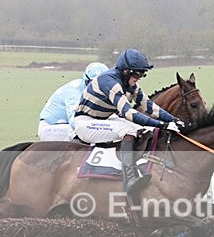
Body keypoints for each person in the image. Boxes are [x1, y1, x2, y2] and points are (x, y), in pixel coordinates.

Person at [73, 49, 185, 195]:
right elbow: (129, 113)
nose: (139, 78)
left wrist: (173, 119)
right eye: (137, 74)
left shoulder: (129, 84)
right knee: (129, 131)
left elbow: (148, 106)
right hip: (86, 122)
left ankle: (141, 167)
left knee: (145, 130)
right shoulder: (110, 83)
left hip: (106, 118)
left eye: (142, 74)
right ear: (125, 71)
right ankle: (130, 179)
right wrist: (162, 124)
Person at [37, 62, 109, 141]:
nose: (97, 87)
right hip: (51, 128)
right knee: (84, 131)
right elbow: (74, 121)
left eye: (101, 83)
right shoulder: (74, 92)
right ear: (86, 80)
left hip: (65, 126)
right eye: (93, 83)